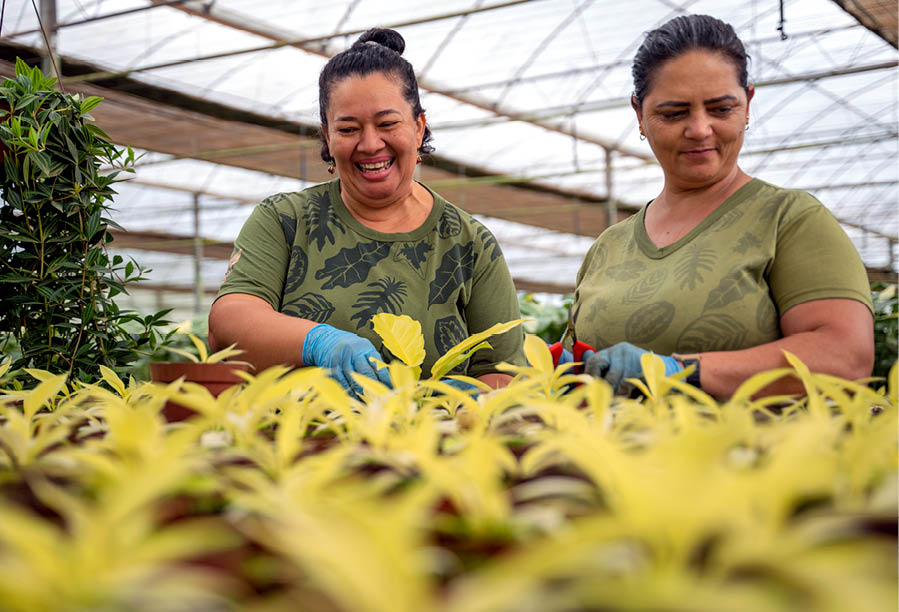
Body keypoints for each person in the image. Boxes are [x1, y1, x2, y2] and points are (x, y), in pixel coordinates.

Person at [561, 14, 874, 398]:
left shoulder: (789, 220)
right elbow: (572, 364)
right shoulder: (608, 247)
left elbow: (845, 357)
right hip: (603, 455)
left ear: (747, 104)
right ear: (639, 115)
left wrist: (680, 372)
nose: (699, 129)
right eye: (673, 113)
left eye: (721, 109)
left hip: (750, 457)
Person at [209, 28, 524, 395]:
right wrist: (318, 342)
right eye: (348, 128)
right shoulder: (285, 220)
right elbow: (229, 320)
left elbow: (505, 370)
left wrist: (459, 399)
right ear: (327, 136)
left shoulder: (468, 243)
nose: (371, 144)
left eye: (388, 124)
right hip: (293, 440)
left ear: (419, 127)